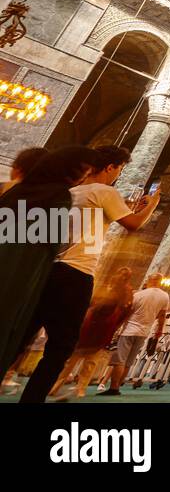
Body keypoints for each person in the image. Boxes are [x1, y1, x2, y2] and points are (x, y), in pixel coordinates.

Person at [14, 144, 158, 403]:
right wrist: (152, 204)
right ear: (111, 166)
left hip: (49, 270)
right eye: (120, 169)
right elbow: (134, 224)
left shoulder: (72, 191)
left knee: (22, 336)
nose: (118, 174)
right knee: (61, 347)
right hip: (76, 273)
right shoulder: (104, 191)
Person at [0, 145, 94, 377]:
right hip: (22, 269)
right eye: (80, 171)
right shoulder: (59, 196)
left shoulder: (15, 191)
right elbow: (48, 242)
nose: (82, 178)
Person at [52, 266, 134, 399]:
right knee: (72, 360)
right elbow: (91, 303)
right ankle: (56, 385)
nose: (121, 277)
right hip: (90, 328)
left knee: (89, 362)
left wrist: (113, 325)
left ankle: (80, 388)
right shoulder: (105, 287)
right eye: (121, 274)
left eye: (124, 275)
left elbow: (124, 311)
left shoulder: (126, 292)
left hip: (102, 329)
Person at [103, 273, 170, 394]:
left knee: (119, 361)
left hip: (129, 330)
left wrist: (116, 327)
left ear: (149, 280)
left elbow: (127, 313)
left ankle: (113, 388)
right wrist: (158, 332)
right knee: (129, 361)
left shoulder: (138, 295)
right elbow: (162, 316)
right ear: (160, 281)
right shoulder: (165, 296)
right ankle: (118, 385)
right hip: (144, 332)